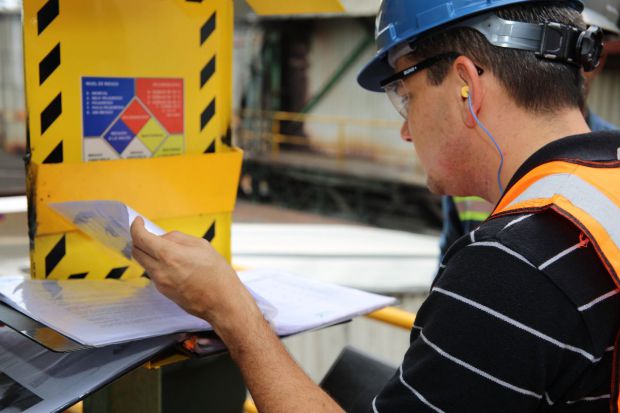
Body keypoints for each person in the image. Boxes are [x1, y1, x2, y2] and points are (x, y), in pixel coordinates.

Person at [131, 0, 620, 411]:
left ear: (465, 85)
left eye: (405, 98)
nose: (405, 130)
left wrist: (232, 312)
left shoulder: (509, 267)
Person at [439, 0, 620, 261]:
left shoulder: (613, 161)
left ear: (595, 56)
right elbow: (449, 258)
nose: (562, 57)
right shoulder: (468, 153)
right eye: (549, 36)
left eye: (577, 43)